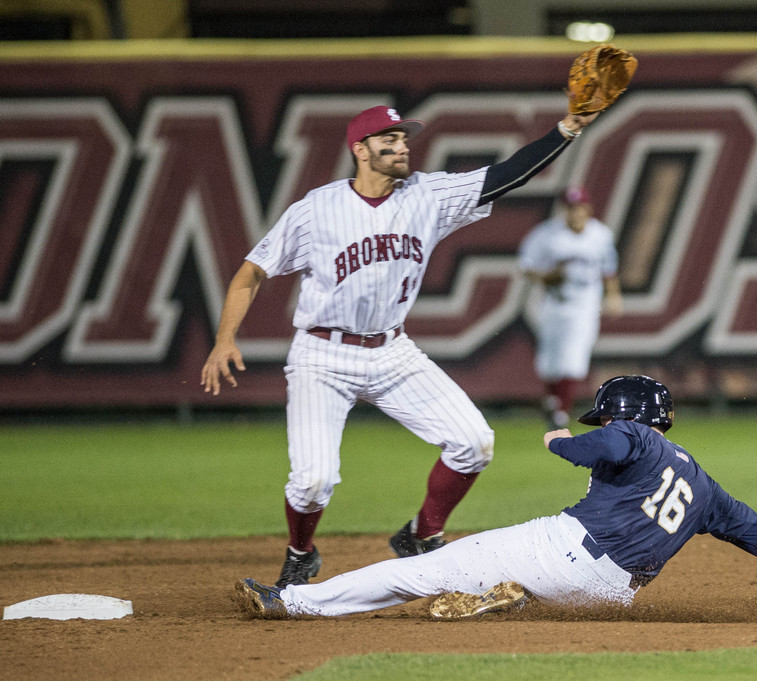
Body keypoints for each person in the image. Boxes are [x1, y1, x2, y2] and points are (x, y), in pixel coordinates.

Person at [200, 103, 601, 587]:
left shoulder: (426, 194)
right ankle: (301, 552)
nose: (401, 146)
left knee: (474, 442)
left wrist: (568, 129)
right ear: (360, 151)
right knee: (313, 481)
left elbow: (506, 175)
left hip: (392, 351)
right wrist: (224, 339)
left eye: (404, 138)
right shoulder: (316, 209)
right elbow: (251, 272)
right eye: (388, 140)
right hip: (322, 355)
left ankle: (420, 534)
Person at [232, 375, 757, 619]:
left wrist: (562, 441)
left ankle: (291, 602)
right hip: (612, 594)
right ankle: (499, 600)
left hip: (566, 551)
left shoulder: (628, 436)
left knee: (417, 571)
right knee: (500, 572)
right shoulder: (704, 487)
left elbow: (608, 448)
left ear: (622, 415)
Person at [518, 186, 623, 429]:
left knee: (574, 359)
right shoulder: (547, 234)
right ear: (563, 210)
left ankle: (560, 412)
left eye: (579, 207)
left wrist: (614, 296)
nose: (575, 213)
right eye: (570, 208)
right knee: (550, 362)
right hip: (553, 302)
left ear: (588, 208)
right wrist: (544, 277)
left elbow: (609, 269)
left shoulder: (600, 235)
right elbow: (526, 264)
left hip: (585, 304)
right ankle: (553, 402)